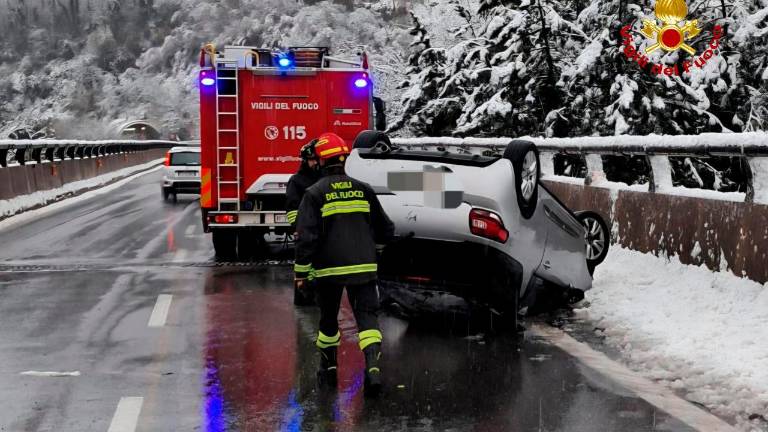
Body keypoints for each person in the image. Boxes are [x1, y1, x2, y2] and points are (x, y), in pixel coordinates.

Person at [294, 132, 394, 396]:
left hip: (329, 273)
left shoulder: (314, 194)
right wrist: (376, 251)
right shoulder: (364, 189)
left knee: (328, 321)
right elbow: (386, 229)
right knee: (368, 321)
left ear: (322, 162)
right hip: (364, 269)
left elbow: (306, 239)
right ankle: (372, 369)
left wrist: (301, 274)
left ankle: (328, 369)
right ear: (344, 159)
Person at [286, 140, 321, 305]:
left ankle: (319, 295)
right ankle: (303, 297)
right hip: (306, 232)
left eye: (317, 159)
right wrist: (297, 229)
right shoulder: (296, 181)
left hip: (324, 231)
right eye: (312, 159)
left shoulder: (325, 178)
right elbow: (292, 209)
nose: (315, 162)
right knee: (304, 265)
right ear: (305, 161)